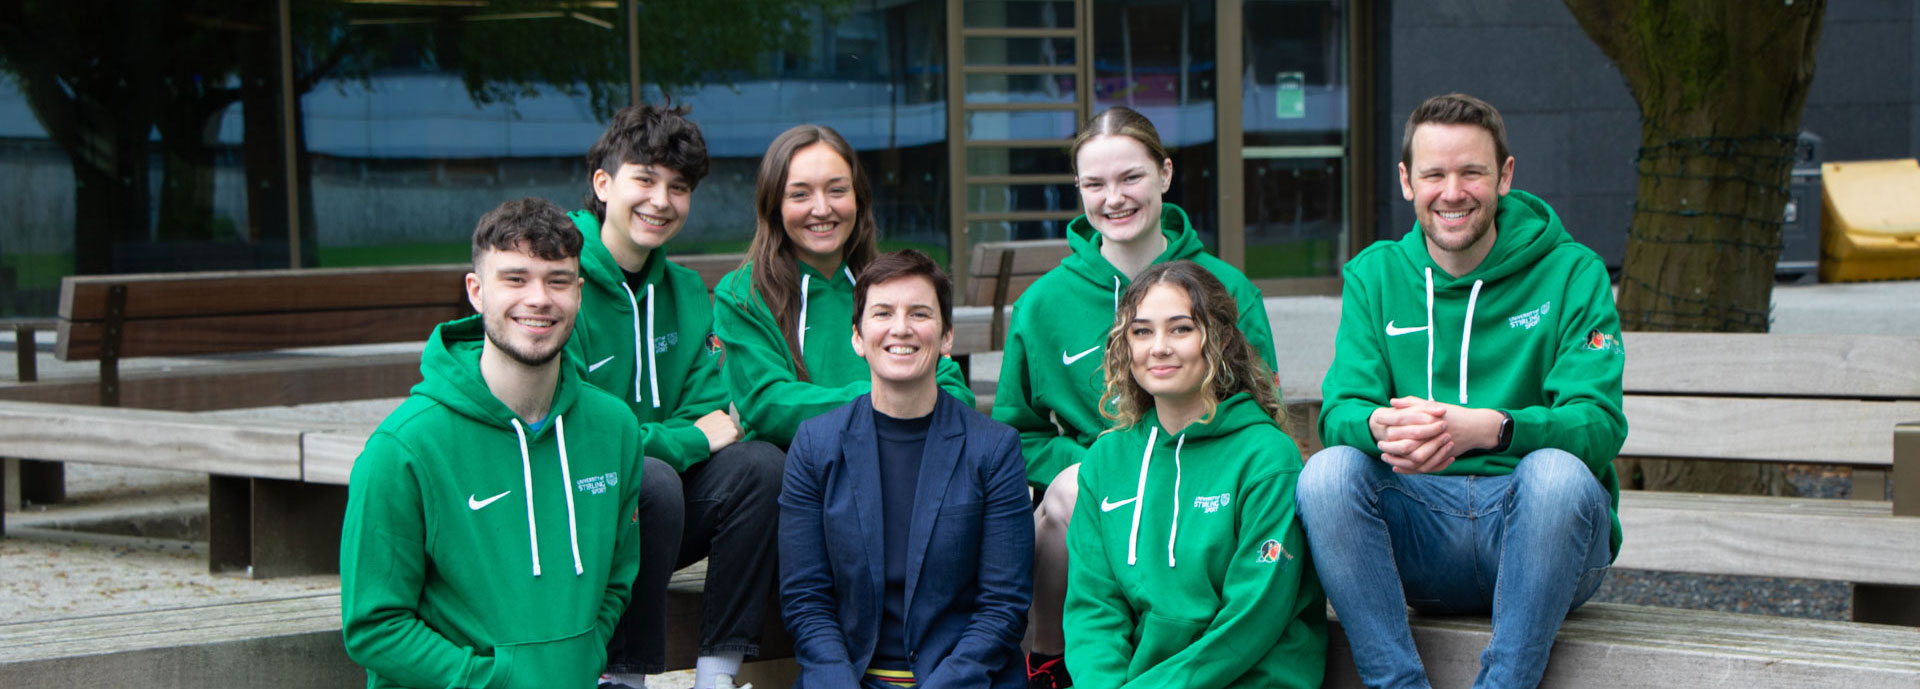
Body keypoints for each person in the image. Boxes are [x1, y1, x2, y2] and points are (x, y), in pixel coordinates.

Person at [1297, 92, 1626, 689]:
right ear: (1406, 181)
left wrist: (1492, 427)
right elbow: (1341, 412)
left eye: (1471, 171)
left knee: (1556, 475)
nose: (1453, 192)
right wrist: (1382, 426)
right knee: (1325, 475)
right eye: (1434, 175)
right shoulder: (1375, 275)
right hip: (1421, 535)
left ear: (1504, 176)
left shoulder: (1573, 271)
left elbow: (1598, 425)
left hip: (1541, 538)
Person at [991, 105, 1277, 688]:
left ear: (1165, 175)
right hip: (1100, 486)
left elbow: (1259, 402)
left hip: (1205, 476)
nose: (1113, 198)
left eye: (1130, 178)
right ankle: (1048, 664)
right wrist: (1101, 466)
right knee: (1072, 493)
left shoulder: (1227, 287)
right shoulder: (1045, 303)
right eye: (1094, 184)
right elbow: (1017, 431)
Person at [341, 197, 642, 689]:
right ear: (477, 291)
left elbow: (617, 579)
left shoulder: (616, 429)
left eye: (558, 280)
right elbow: (373, 626)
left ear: (580, 293)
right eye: (516, 279)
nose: (539, 298)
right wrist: (497, 680)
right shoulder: (402, 447)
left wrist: (579, 656)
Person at [564, 104, 782, 689]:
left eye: (678, 187)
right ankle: (623, 678)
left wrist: (679, 436)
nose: (661, 200)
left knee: (762, 467)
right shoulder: (559, 278)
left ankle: (717, 674)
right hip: (575, 508)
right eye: (646, 179)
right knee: (651, 477)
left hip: (661, 516)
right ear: (603, 183)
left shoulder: (685, 291)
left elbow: (715, 412)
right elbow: (581, 431)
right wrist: (683, 438)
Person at [1063, 260, 1326, 689]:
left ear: (1218, 339)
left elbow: (1250, 621)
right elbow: (1094, 608)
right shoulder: (1106, 460)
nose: (1159, 347)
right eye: (1142, 331)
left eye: (1181, 329)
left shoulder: (1266, 458)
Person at [778, 250, 1033, 689]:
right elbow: (806, 601)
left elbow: (1002, 607)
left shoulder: (994, 449)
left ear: (947, 336)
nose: (901, 328)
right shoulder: (815, 446)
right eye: (882, 313)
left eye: (920, 313)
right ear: (858, 337)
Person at [714, 124, 974, 448]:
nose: (822, 209)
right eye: (800, 194)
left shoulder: (893, 284)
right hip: (800, 475)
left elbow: (952, 387)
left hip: (903, 458)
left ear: (858, 198)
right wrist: (897, 397)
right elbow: (770, 405)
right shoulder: (743, 294)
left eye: (837, 190)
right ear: (774, 205)